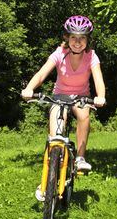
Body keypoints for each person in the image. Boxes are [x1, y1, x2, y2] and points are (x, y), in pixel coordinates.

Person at [21, 15, 106, 172]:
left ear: (88, 40)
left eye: (82, 38)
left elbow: (98, 80)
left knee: (83, 116)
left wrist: (100, 96)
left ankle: (80, 158)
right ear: (67, 37)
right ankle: (49, 177)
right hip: (59, 96)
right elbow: (41, 74)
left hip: (82, 98)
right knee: (55, 139)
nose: (77, 42)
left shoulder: (91, 56)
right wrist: (30, 88)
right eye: (73, 37)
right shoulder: (59, 53)